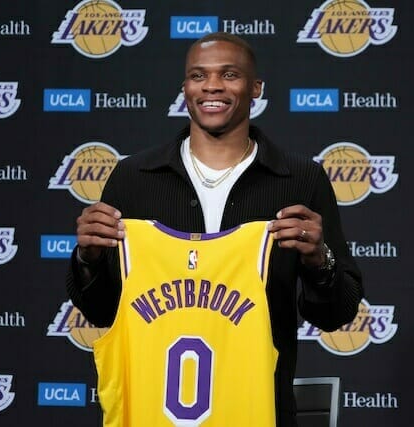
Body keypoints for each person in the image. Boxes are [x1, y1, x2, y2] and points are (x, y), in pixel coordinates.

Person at [67, 32, 363, 427]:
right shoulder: (133, 178)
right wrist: (88, 259)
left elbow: (336, 314)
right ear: (185, 87)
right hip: (149, 412)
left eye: (229, 75)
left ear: (256, 87)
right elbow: (102, 311)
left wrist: (318, 260)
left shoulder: (301, 180)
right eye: (198, 75)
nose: (212, 86)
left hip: (259, 410)